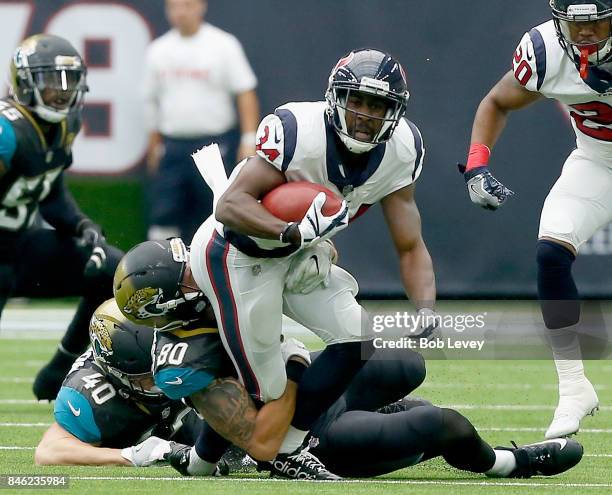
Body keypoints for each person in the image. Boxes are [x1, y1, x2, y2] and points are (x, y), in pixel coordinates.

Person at [187, 47, 436, 477]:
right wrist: (288, 232)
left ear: (394, 112)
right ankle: (200, 460)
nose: (364, 114)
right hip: (239, 255)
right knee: (268, 387)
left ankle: (289, 447)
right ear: (335, 98)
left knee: (356, 337)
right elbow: (229, 205)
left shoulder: (401, 151)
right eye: (356, 100)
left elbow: (410, 245)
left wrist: (426, 306)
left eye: (377, 105)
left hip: (301, 253)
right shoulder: (298, 131)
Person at [458, 0, 611, 439]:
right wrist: (477, 164)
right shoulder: (546, 52)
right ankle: (573, 387)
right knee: (550, 252)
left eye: (595, 19)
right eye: (573, 22)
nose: (584, 31)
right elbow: (497, 101)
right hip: (599, 161)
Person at [113, 239, 329, 478]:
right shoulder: (187, 359)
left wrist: (315, 247)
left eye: (188, 260)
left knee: (370, 353)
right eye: (187, 276)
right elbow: (263, 444)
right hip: (301, 428)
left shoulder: (216, 265)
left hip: (313, 389)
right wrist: (294, 364)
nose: (198, 270)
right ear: (164, 306)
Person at [0, 34, 123, 401]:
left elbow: (49, 192)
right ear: (25, 83)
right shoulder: (7, 132)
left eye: (69, 81)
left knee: (113, 270)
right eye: (52, 81)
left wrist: (82, 226)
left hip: (21, 247)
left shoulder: (67, 124)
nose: (62, 92)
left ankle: (60, 369)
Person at [35, 299, 211, 469]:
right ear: (113, 372)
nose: (159, 383)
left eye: (160, 368)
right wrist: (131, 455)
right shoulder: (90, 393)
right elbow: (48, 451)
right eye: (146, 378)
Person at [143, 0, 260, 241]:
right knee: (164, 212)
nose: (180, 13)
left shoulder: (223, 45)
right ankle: (160, 270)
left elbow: (245, 92)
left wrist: (249, 139)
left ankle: (213, 271)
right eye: (174, 6)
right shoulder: (158, 50)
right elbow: (151, 101)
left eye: (187, 5)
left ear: (201, 6)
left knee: (216, 211)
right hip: (172, 146)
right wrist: (154, 144)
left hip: (214, 146)